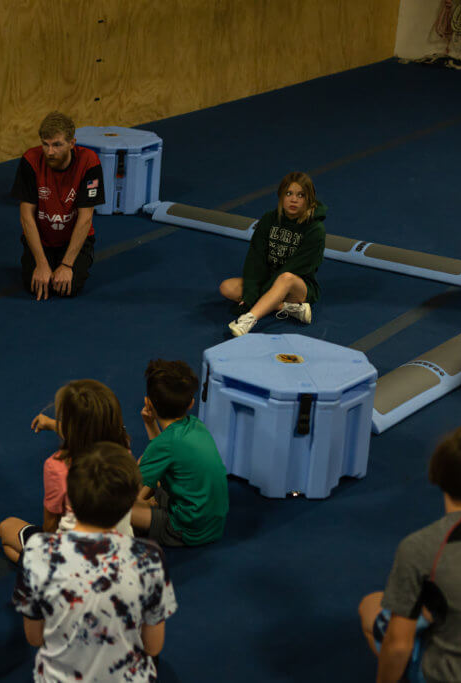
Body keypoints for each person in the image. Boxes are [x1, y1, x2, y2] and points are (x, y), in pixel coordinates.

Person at [13, 442, 178, 682]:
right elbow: (153, 646)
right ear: (131, 501)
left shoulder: (38, 552)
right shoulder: (148, 558)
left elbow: (34, 638)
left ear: (71, 494)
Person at [359, 426, 461, 683]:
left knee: (371, 606)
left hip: (450, 676)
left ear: (437, 475)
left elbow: (398, 646)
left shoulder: (421, 548)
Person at [0, 379, 132, 563]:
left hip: (73, 560)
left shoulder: (57, 466)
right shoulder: (123, 449)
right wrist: (53, 424)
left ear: (70, 423)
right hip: (122, 548)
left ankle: (40, 572)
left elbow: (50, 526)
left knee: (6, 529)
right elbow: (91, 434)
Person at [133, 360, 228, 547]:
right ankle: (149, 503)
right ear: (191, 403)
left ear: (148, 403)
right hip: (213, 523)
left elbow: (125, 488)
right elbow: (164, 453)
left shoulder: (166, 443)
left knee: (113, 507)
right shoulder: (195, 425)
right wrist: (150, 424)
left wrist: (140, 500)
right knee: (148, 464)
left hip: (186, 530)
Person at [11, 111, 105, 300]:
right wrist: (41, 263)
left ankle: (72, 261)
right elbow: (26, 216)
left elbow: (86, 218)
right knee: (34, 284)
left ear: (72, 143)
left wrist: (67, 265)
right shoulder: (30, 160)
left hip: (74, 237)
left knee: (69, 288)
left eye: (57, 145)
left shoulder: (89, 162)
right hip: (43, 237)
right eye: (45, 144)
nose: (50, 151)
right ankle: (47, 262)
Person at [219, 171, 326, 336]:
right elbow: (256, 259)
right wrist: (251, 293)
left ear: (308, 199)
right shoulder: (269, 219)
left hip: (299, 286)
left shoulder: (314, 229)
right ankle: (291, 310)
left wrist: (254, 300)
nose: (293, 199)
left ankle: (248, 319)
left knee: (286, 278)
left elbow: (298, 267)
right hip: (269, 280)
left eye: (300, 195)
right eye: (289, 193)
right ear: (281, 196)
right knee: (227, 287)